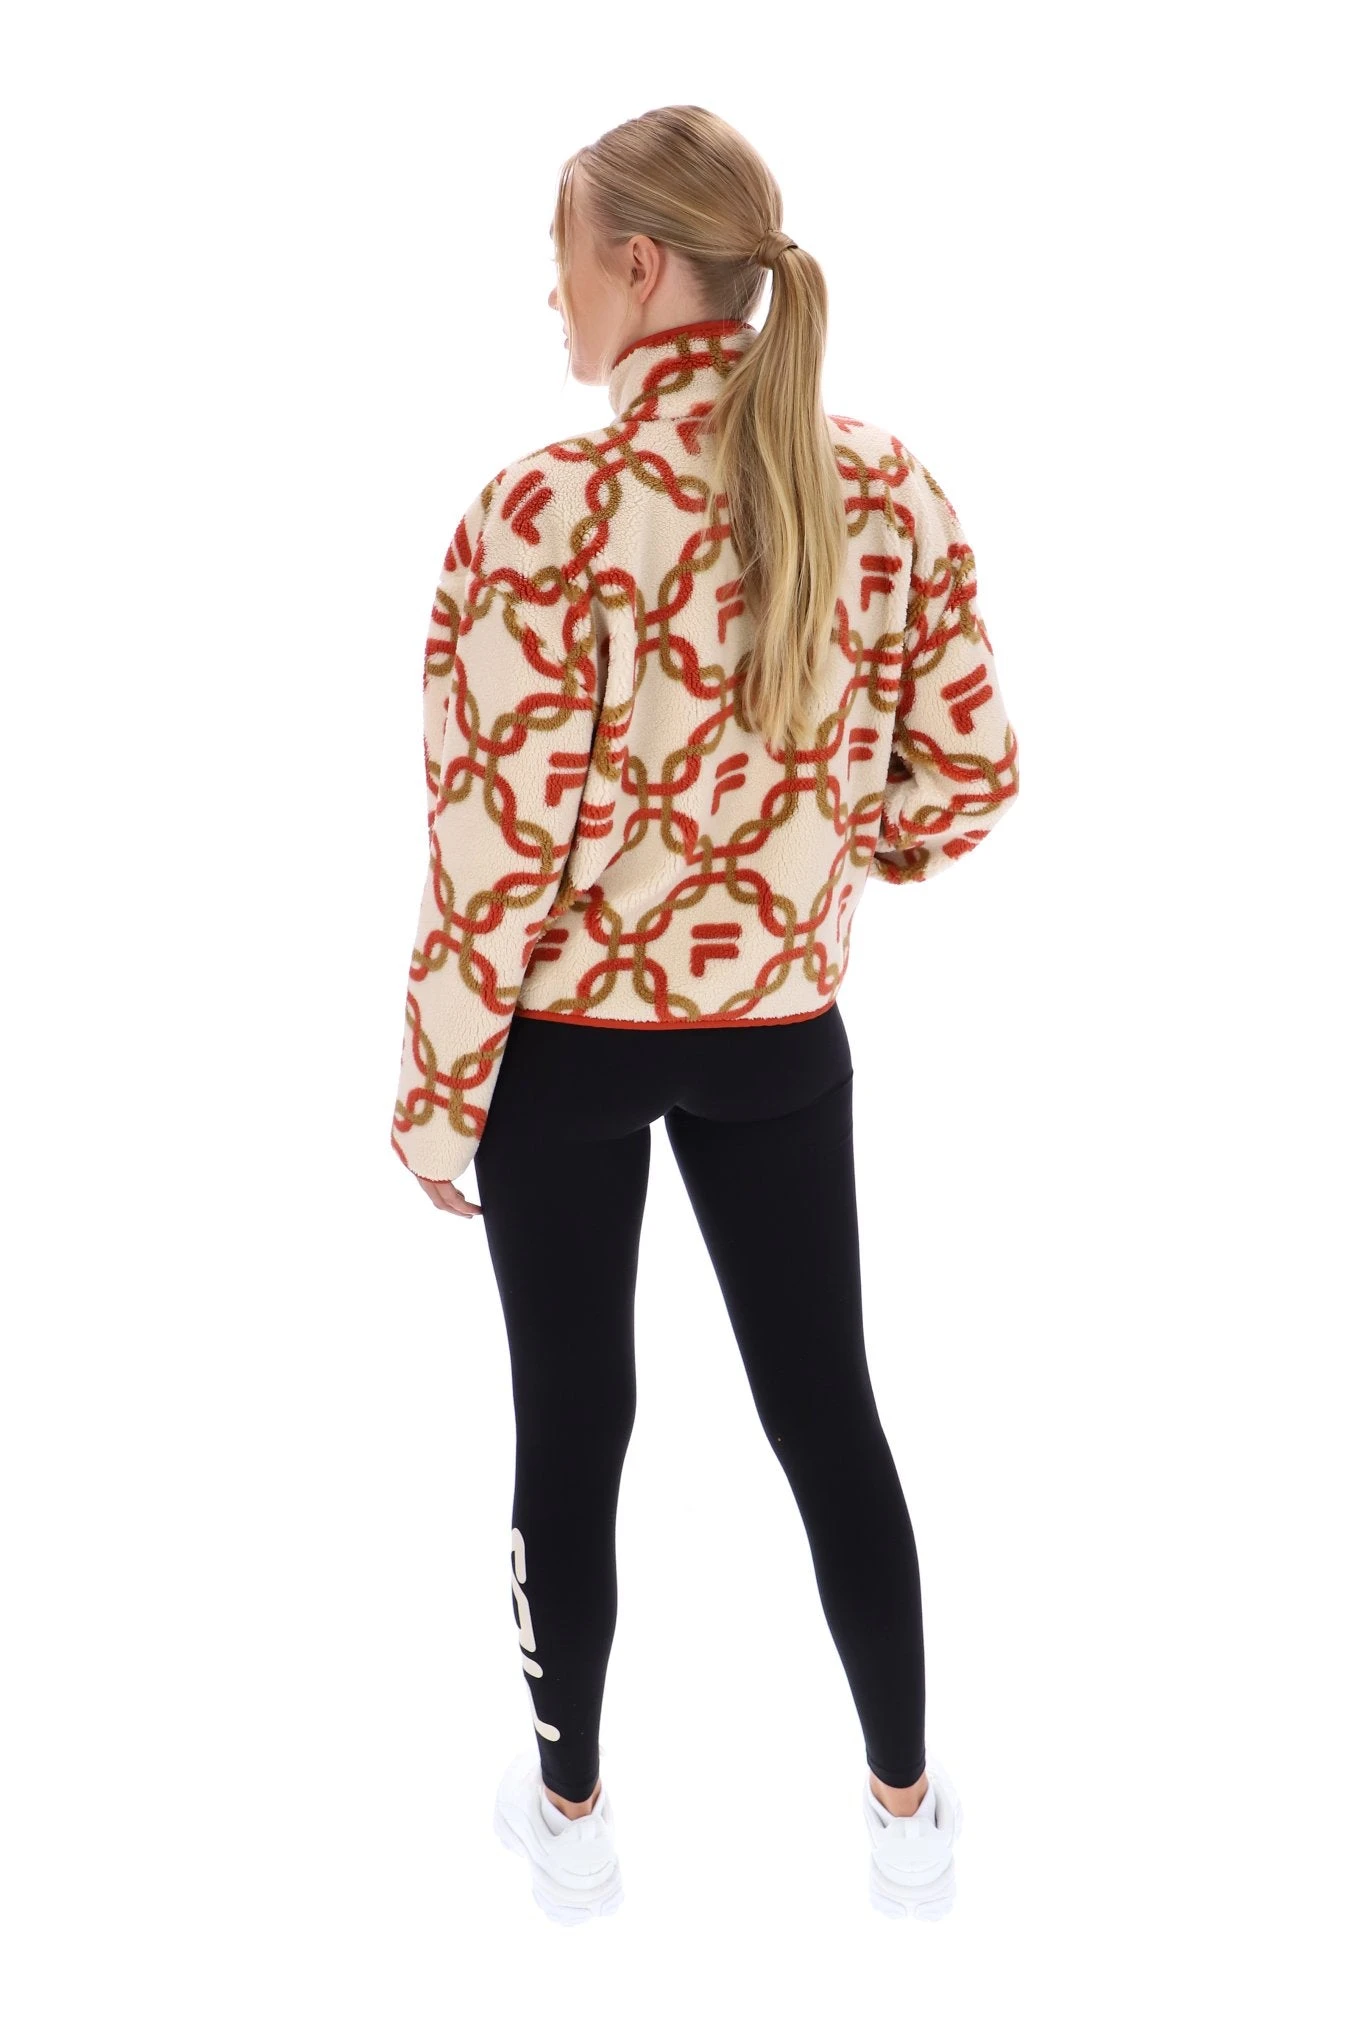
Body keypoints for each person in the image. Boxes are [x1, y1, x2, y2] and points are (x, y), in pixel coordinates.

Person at [389, 105, 1019, 1925]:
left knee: (570, 1426)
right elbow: (969, 773)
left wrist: (438, 1094)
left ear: (639, 265)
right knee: (829, 1413)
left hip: (564, 1061)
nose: (552, 297)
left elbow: (489, 849)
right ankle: (906, 1813)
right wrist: (817, 865)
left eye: (564, 258)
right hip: (778, 1043)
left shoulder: (543, 511)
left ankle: (569, 1818)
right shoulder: (883, 489)